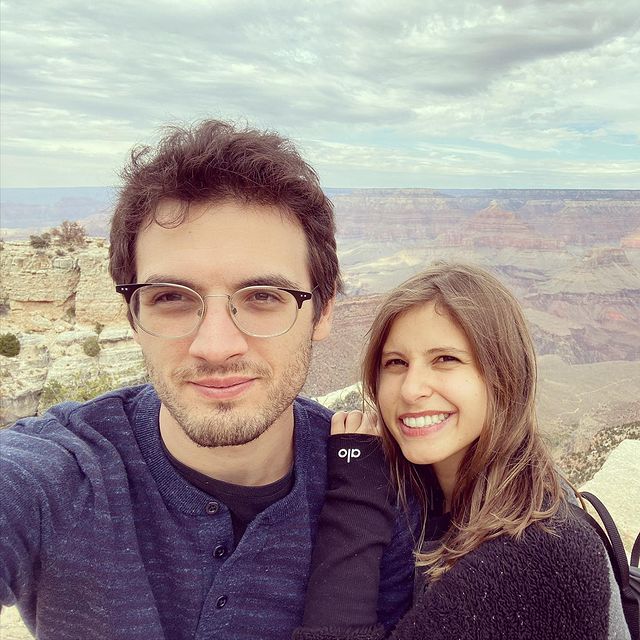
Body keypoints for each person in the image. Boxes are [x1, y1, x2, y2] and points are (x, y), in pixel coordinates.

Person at [0, 120, 416, 640]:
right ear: (131, 315)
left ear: (324, 311)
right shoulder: (58, 476)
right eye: (172, 297)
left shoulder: (382, 496)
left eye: (264, 296)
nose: (216, 346)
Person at [295, 262, 627, 640]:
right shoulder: (447, 504)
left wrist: (354, 502)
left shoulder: (533, 554)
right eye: (396, 363)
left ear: (504, 376)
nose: (410, 389)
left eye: (446, 359)